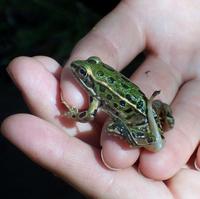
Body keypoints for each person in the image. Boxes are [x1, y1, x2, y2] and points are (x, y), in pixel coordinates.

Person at [1, 0, 200, 198]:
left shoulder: (96, 96)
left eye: (85, 74)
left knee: (113, 127)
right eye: (89, 67)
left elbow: (88, 116)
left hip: (138, 123)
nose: (80, 70)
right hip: (146, 109)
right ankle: (159, 121)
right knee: (151, 108)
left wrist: (72, 115)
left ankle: (135, 139)